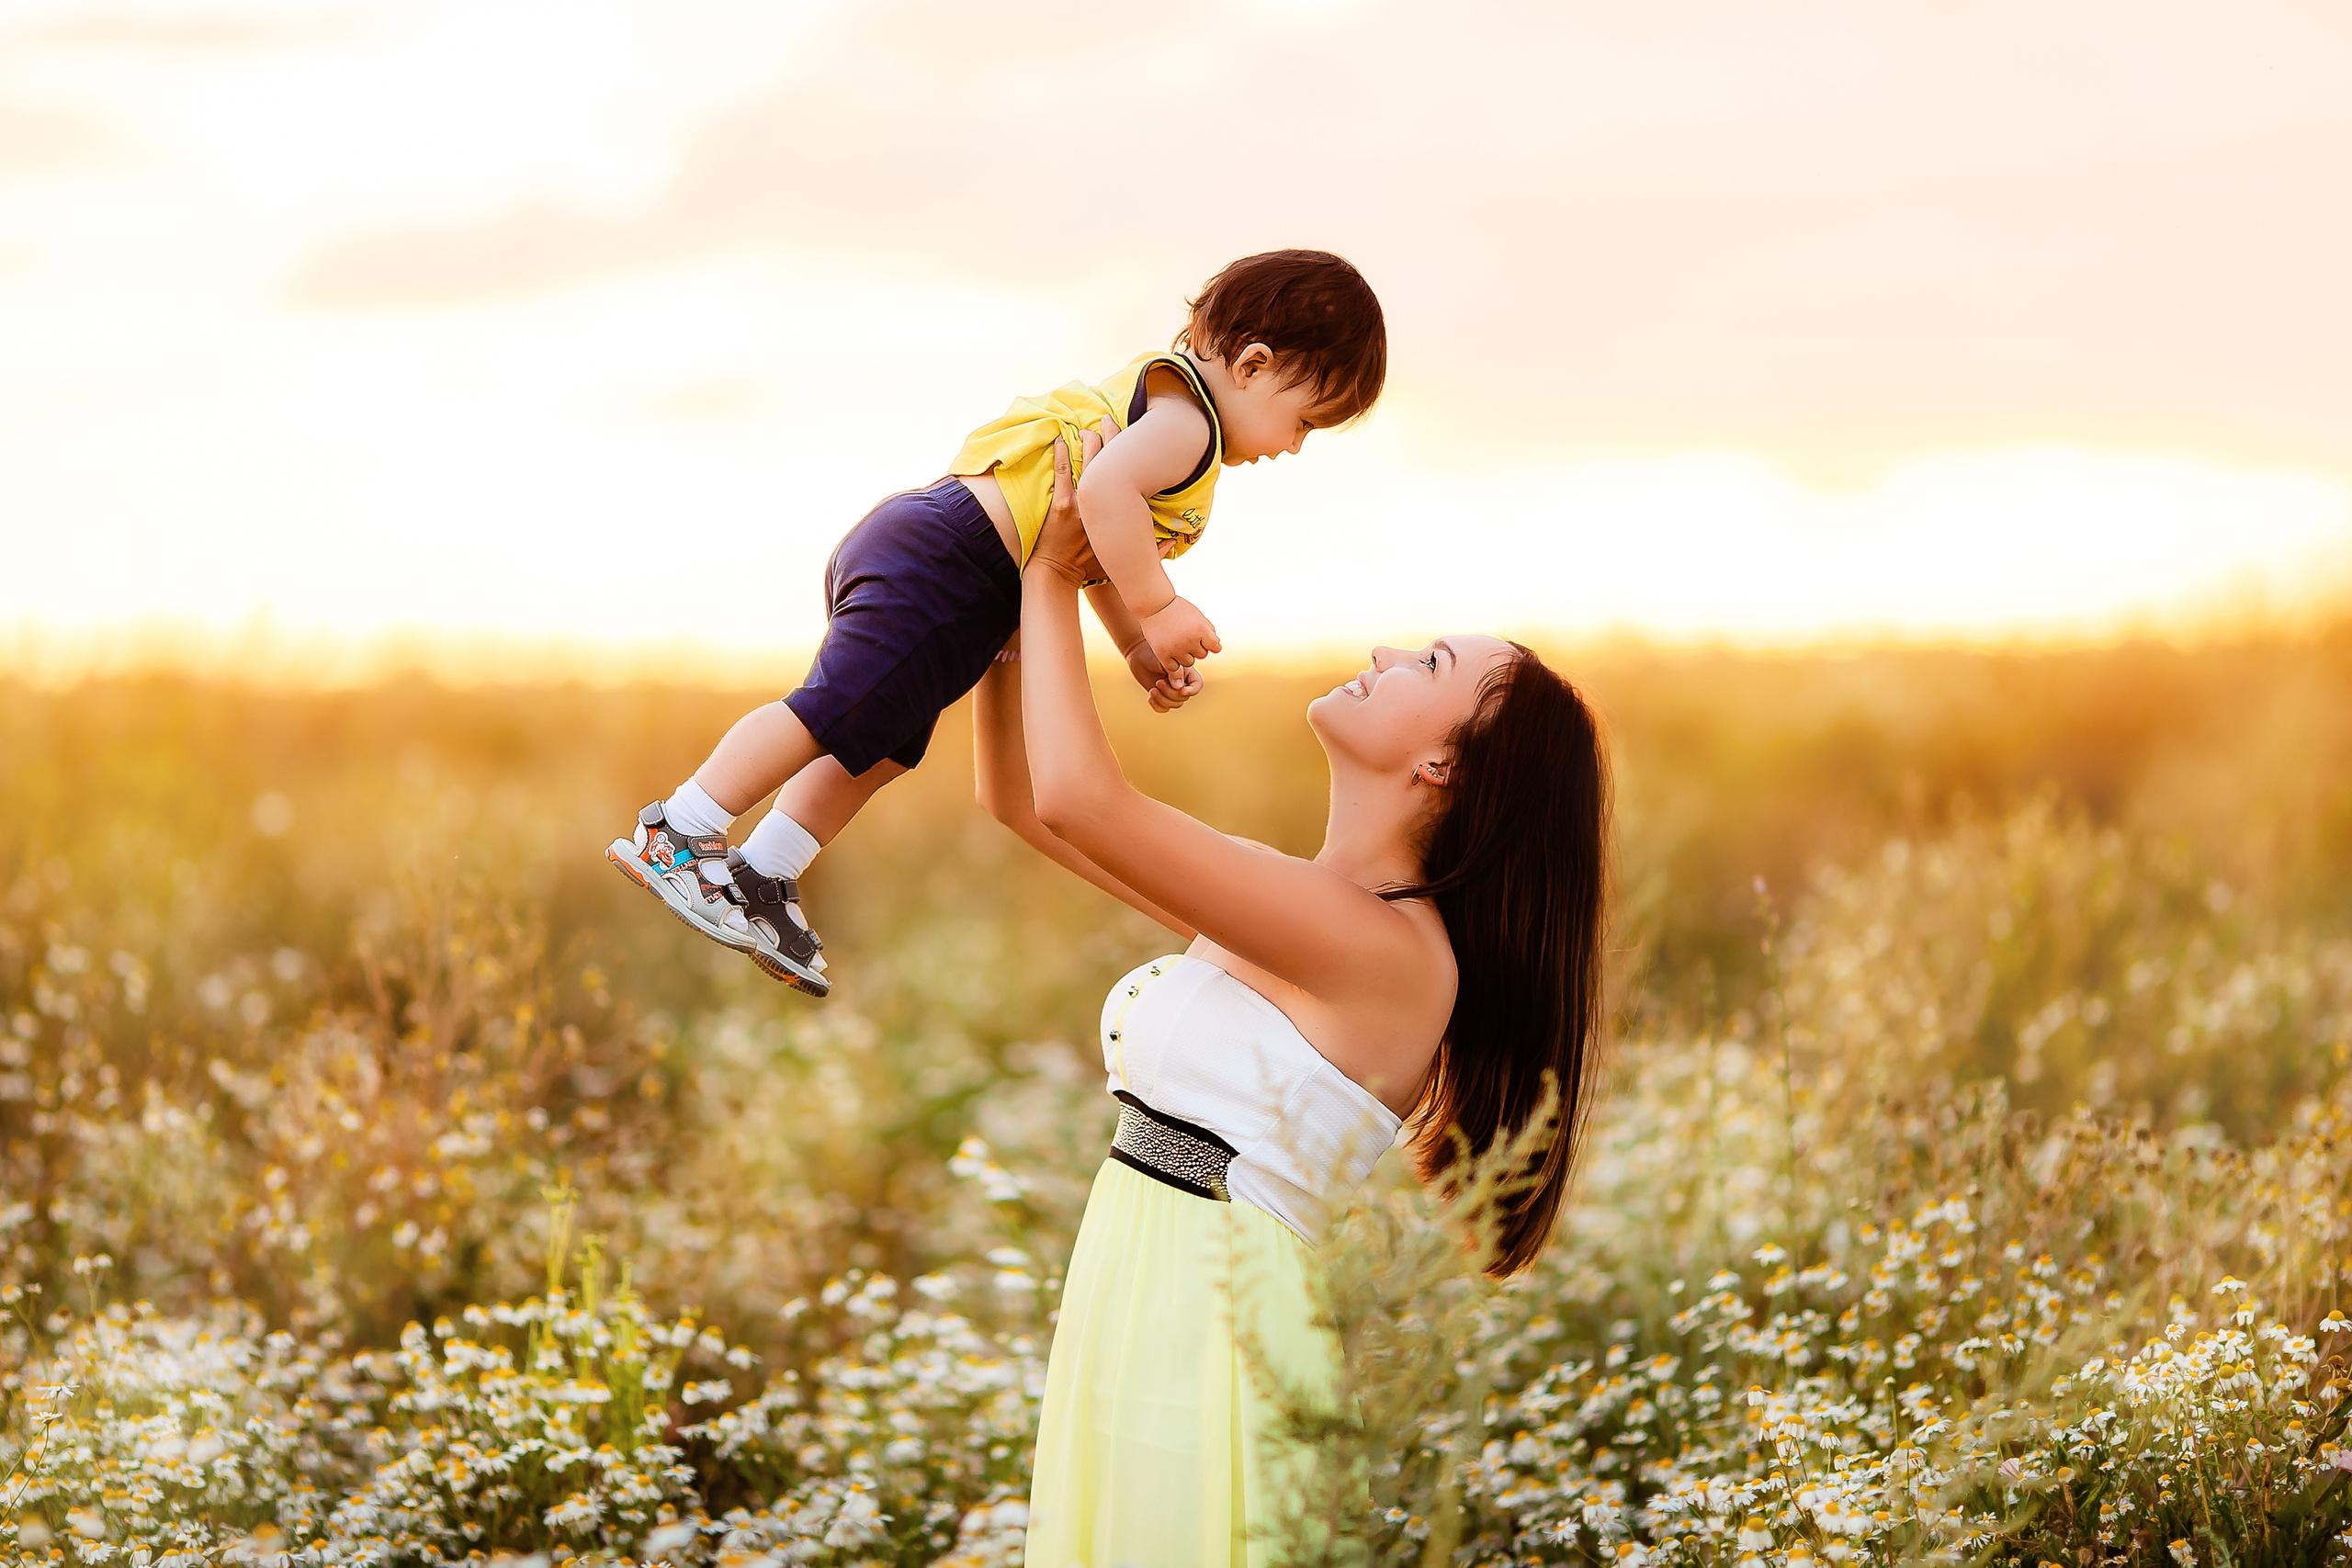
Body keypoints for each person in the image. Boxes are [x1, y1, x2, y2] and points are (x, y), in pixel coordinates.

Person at [977, 431, 1611, 1564]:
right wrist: (999, 596)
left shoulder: (1389, 952)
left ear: (1446, 767)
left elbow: (1079, 798)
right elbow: (1023, 805)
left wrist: (1050, 570)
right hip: (1142, 1288)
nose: (1383, 649)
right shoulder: (1305, 903)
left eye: (1425, 665)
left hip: (1218, 1321)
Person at [605, 250, 1387, 997]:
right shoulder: (1187, 427)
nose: (1293, 447)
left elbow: (1093, 543)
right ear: (1252, 366)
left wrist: (1135, 644)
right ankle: (680, 827)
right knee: (836, 707)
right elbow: (1106, 492)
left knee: (881, 742)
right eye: (1305, 422)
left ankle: (763, 871)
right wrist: (1159, 606)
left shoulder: (1172, 418)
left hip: (966, 570)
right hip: (949, 553)